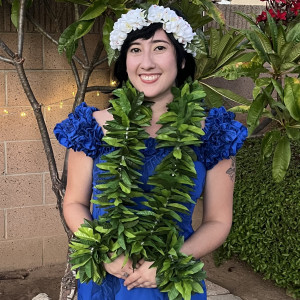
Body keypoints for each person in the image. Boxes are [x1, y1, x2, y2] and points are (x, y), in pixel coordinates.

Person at [54, 5, 248, 300]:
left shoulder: (213, 132)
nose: (146, 63)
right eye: (135, 50)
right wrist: (104, 251)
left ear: (181, 59)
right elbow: (74, 203)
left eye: (159, 48)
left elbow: (218, 221)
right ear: (124, 60)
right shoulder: (91, 127)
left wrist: (168, 262)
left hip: (172, 277)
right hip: (106, 279)